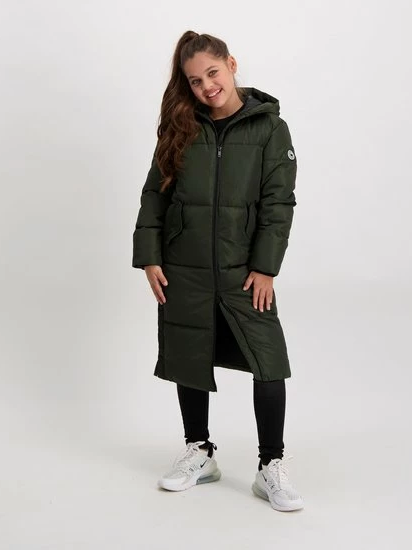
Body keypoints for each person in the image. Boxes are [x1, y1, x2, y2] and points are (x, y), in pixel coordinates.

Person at [131, 30, 303, 512]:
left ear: (231, 64)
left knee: (268, 361)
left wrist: (265, 267)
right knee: (188, 351)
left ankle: (270, 465)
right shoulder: (180, 127)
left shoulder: (270, 128)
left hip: (242, 271)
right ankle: (199, 452)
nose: (207, 86)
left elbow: (278, 203)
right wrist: (150, 255)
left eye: (213, 73)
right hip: (183, 266)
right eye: (195, 80)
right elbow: (155, 194)